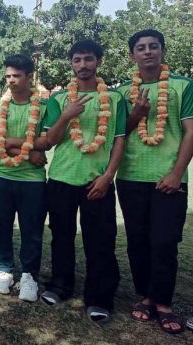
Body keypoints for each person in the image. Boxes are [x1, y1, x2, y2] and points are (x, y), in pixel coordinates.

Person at [38, 40, 126, 324]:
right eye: (77, 60)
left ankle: (99, 297)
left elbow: (119, 140)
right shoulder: (59, 99)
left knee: (100, 241)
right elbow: (50, 141)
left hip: (96, 181)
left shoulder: (114, 99)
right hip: (62, 178)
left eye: (88, 59)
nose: (83, 65)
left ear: (98, 62)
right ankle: (60, 285)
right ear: (72, 64)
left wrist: (107, 176)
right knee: (61, 237)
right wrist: (66, 115)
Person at [115, 29, 193, 334]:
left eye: (153, 46)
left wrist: (177, 172)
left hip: (168, 178)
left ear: (162, 51)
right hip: (131, 176)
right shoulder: (122, 91)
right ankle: (146, 296)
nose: (147, 52)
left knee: (164, 241)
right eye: (141, 48)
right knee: (138, 241)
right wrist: (137, 115)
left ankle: (163, 303)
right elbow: (120, 132)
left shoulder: (182, 86)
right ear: (133, 55)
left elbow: (190, 131)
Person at [0, 55, 48, 301]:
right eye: (8, 75)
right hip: (1, 176)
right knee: (1, 227)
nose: (11, 80)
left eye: (17, 76)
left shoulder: (44, 106)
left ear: (29, 77)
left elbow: (46, 140)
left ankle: (29, 276)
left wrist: (11, 143)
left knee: (32, 230)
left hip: (32, 181)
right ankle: (4, 270)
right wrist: (28, 151)